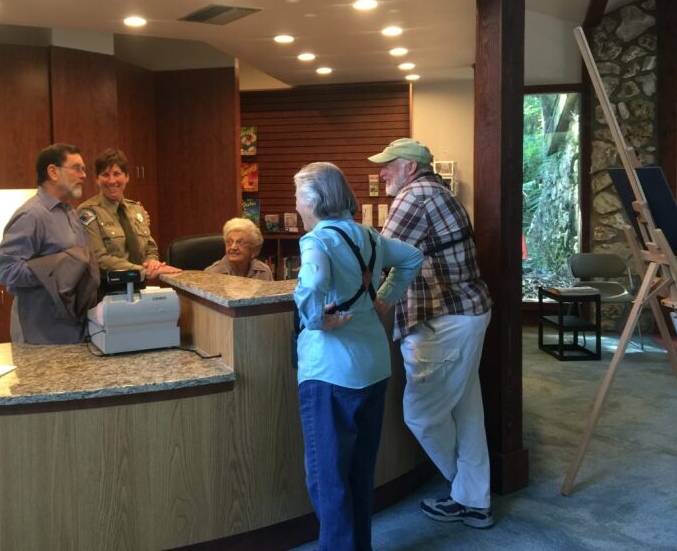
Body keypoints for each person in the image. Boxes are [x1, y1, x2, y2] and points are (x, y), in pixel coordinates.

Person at [292, 162, 423, 550]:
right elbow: (412, 258)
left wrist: (315, 319)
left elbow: (312, 283)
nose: (295, 204)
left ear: (314, 200)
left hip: (331, 373)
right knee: (359, 473)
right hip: (373, 366)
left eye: (298, 195)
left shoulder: (316, 240)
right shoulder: (369, 236)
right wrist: (383, 299)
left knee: (327, 479)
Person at [369, 138, 494, 529]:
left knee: (421, 413)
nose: (381, 171)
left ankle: (464, 493)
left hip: (445, 322)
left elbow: (381, 257)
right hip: (466, 314)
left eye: (389, 164)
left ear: (409, 167)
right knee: (466, 411)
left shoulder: (414, 195)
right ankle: (476, 501)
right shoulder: (436, 190)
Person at [0, 143, 100, 344]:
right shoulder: (32, 215)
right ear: (53, 172)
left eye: (84, 169)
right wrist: (53, 272)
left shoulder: (69, 212)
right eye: (77, 168)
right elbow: (4, 269)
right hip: (40, 335)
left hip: (72, 330)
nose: (84, 175)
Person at [77, 149, 180, 282]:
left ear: (127, 177)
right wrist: (143, 271)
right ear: (97, 179)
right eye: (105, 174)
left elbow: (150, 247)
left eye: (117, 174)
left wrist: (152, 263)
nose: (111, 180)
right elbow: (99, 258)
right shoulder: (88, 212)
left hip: (140, 286)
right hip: (108, 290)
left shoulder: (136, 209)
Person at [204, 217, 273, 280]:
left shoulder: (263, 272)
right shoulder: (211, 274)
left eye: (240, 242)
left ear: (254, 250)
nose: (233, 247)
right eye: (229, 242)